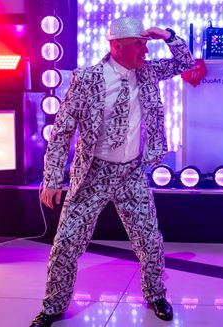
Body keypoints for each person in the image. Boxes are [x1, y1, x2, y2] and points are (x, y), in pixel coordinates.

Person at [30, 17, 195, 326]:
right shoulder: (87, 79)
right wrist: (51, 178)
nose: (145, 50)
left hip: (131, 173)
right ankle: (52, 307)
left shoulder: (147, 72)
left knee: (149, 240)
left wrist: (167, 35)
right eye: (139, 44)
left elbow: (185, 63)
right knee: (66, 243)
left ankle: (156, 294)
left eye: (145, 43)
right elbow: (62, 131)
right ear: (117, 46)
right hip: (93, 174)